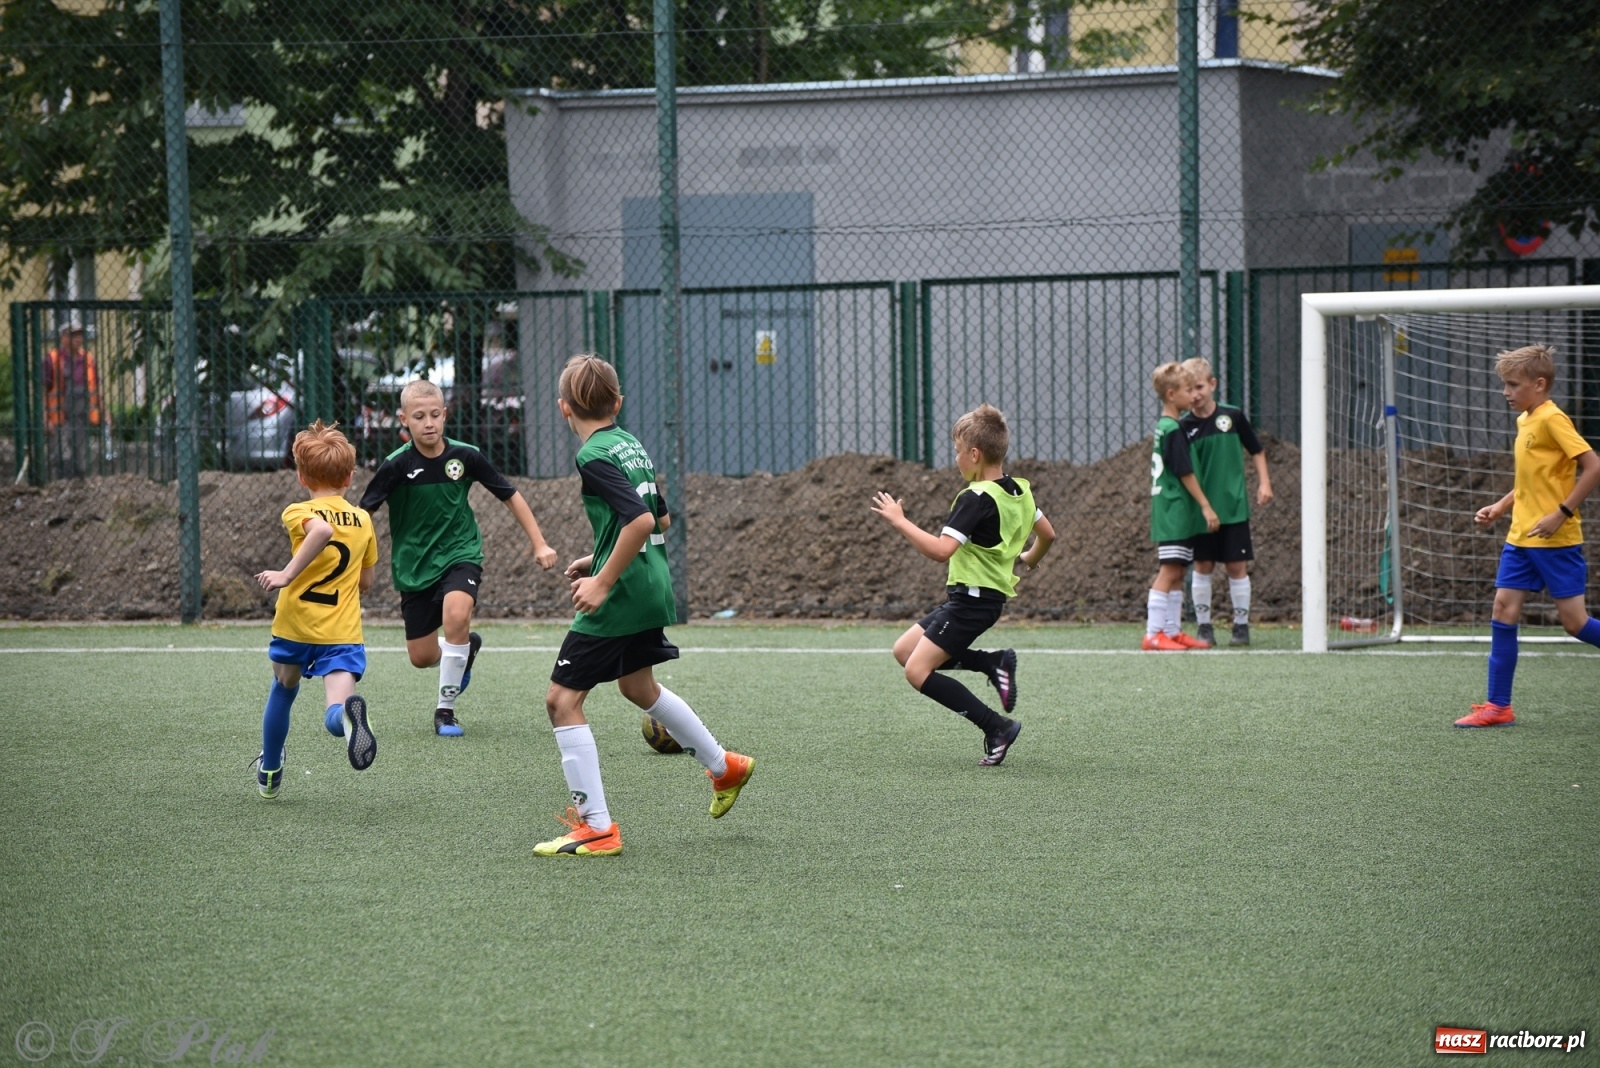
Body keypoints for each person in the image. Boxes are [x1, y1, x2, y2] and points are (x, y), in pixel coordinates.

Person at [533, 353, 753, 858]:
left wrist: (604, 580)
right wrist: (598, 557)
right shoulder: (630, 443)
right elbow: (662, 520)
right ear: (619, 403)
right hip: (652, 582)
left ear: (564, 409)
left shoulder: (592, 455)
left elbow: (640, 523)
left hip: (625, 591)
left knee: (561, 701)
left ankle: (597, 828)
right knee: (638, 686)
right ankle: (725, 767)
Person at [359, 379, 558, 737]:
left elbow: (510, 495)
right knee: (421, 656)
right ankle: (465, 650)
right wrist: (356, 562)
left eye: (435, 414)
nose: (429, 423)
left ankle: (445, 712)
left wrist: (539, 543)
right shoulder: (395, 465)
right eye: (419, 416)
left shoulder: (465, 456)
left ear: (445, 414)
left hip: (460, 553)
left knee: (456, 613)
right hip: (414, 564)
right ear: (404, 419)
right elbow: (363, 516)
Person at [871, 403, 1056, 767]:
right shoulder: (1019, 490)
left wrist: (899, 521)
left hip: (972, 602)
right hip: (978, 600)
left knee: (916, 671)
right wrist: (1030, 558)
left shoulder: (976, 497)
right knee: (904, 650)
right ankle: (992, 662)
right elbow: (1048, 534)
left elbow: (942, 551)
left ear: (974, 454)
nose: (955, 458)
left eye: (957, 451)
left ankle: (996, 727)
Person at [1457, 343, 1600, 728]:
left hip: (1555, 539)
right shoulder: (1526, 419)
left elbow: (1593, 467)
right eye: (1504, 384)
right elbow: (1530, 480)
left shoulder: (1553, 419)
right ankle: (1498, 706)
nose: (1506, 392)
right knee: (1503, 608)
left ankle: (1498, 704)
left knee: (1575, 624)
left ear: (1539, 384)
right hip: (1520, 537)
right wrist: (1502, 506)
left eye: (1513, 385)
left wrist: (1562, 512)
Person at [251, 421, 380, 799]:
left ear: (302, 476)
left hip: (295, 625)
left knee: (283, 688)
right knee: (336, 706)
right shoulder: (363, 519)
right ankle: (345, 719)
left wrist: (288, 574)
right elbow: (366, 584)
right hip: (341, 631)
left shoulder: (298, 510)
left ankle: (270, 770)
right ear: (351, 476)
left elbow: (320, 532)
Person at [1179, 357, 1274, 647]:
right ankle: (1204, 627)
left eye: (1199, 387)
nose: (1195, 395)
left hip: (1233, 508)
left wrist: (1265, 482)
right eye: (1188, 389)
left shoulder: (1232, 417)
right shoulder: (1183, 427)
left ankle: (1241, 626)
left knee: (1236, 567)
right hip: (1201, 512)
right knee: (1203, 565)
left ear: (1212, 384)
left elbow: (1256, 450)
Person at [1145, 362, 1219, 651]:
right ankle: (1153, 633)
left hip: (1176, 511)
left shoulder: (1167, 427)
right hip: (1173, 510)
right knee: (1169, 571)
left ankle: (1173, 631)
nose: (1193, 396)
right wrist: (1205, 505)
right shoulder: (1172, 429)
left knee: (1179, 572)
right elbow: (1183, 471)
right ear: (1172, 394)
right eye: (1188, 390)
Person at [43, 324, 102, 479]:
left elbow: (96, 387)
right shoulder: (53, 359)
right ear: (63, 337)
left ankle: (79, 490)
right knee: (62, 455)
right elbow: (43, 389)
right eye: (73, 335)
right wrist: (45, 416)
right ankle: (62, 486)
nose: (78, 338)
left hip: (81, 415)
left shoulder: (87, 359)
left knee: (80, 455)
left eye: (80, 335)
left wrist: (104, 411)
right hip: (59, 417)